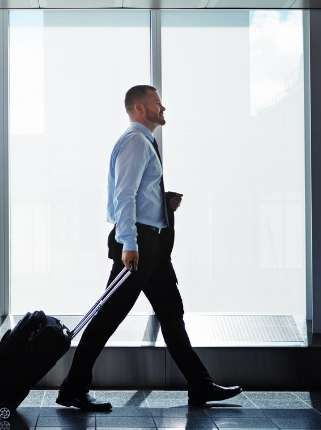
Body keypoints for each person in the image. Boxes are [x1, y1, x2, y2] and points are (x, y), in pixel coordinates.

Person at [55, 86, 242, 411]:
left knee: (172, 315)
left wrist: (163, 204)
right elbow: (123, 197)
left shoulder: (143, 143)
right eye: (157, 103)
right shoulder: (135, 143)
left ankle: (200, 386)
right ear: (140, 108)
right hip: (139, 246)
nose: (163, 108)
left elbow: (136, 195)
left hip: (152, 247)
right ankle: (73, 388)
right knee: (107, 318)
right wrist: (129, 244)